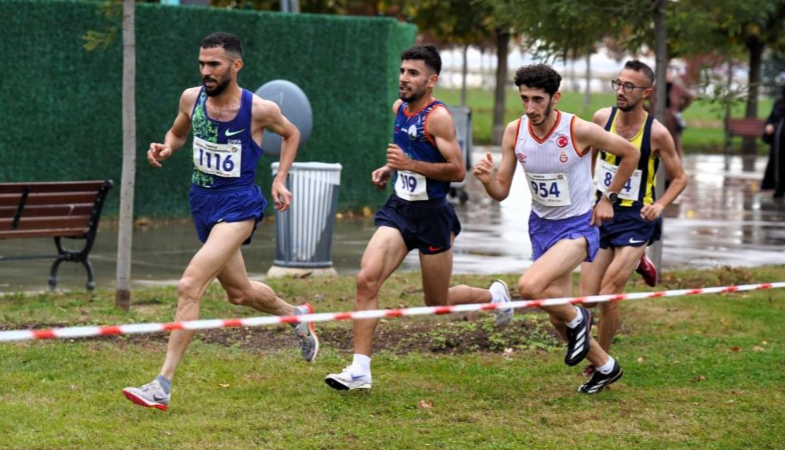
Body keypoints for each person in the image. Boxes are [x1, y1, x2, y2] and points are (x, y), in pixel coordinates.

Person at [122, 32, 319, 411]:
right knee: (239, 293)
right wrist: (166, 147)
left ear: (235, 66)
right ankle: (297, 316)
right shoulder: (191, 98)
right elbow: (178, 133)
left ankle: (161, 385)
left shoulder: (258, 109)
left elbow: (291, 133)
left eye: (214, 65)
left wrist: (279, 178)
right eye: (202, 64)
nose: (206, 72)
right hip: (202, 203)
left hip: (239, 206)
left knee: (189, 285)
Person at [324, 45, 513, 391]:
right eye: (402, 71)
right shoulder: (399, 109)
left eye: (413, 73)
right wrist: (388, 169)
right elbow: (408, 154)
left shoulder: (438, 117)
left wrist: (409, 166)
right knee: (367, 280)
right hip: (400, 208)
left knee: (436, 302)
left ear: (432, 80)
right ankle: (360, 370)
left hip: (432, 216)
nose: (403, 78)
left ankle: (493, 296)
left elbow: (457, 171)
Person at [470, 64, 640, 394]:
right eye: (524, 99)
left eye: (538, 99)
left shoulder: (578, 129)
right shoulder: (514, 131)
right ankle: (606, 366)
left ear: (555, 98)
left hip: (578, 226)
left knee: (530, 286)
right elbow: (501, 190)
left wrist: (607, 198)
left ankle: (580, 319)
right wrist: (487, 180)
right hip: (542, 227)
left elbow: (630, 153)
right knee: (554, 315)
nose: (530, 107)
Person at [579, 60, 688, 377]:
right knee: (587, 298)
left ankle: (602, 362)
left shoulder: (657, 133)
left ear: (647, 93)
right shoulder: (602, 118)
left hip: (637, 217)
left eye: (629, 86)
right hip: (602, 213)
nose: (621, 91)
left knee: (609, 294)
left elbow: (680, 177)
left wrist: (660, 205)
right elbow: (591, 156)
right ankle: (639, 261)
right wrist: (592, 196)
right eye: (619, 83)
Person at [761, 79, 785, 198]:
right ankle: (779, 188)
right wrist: (769, 125)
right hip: (780, 142)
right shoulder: (780, 103)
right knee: (779, 165)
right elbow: (772, 118)